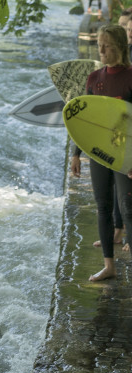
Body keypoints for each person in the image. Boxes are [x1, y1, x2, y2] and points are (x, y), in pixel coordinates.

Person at [70, 24, 132, 281]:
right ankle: (109, 266)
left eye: (107, 45)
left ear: (120, 47)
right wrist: (76, 154)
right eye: (99, 46)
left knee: (128, 208)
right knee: (103, 206)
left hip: (125, 152)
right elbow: (83, 120)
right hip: (98, 152)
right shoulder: (94, 79)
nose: (102, 50)